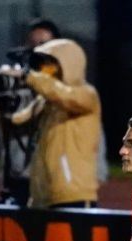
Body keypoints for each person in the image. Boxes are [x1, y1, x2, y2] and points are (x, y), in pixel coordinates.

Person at [0, 18, 61, 206]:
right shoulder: (10, 82)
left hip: (57, 180)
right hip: (19, 176)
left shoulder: (67, 87)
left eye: (44, 45)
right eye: (33, 44)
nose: (37, 51)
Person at [9, 38, 102, 209]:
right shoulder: (45, 101)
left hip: (72, 195)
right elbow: (17, 125)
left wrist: (29, 77)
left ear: (68, 64)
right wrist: (4, 110)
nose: (45, 70)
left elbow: (63, 95)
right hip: (43, 196)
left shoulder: (87, 95)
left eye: (50, 64)